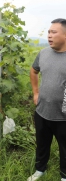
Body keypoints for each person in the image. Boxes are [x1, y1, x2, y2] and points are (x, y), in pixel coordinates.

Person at [28, 18, 66, 181]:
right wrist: (36, 93)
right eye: (49, 32)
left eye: (54, 32)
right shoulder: (43, 53)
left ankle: (64, 175)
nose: (49, 35)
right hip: (42, 111)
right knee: (42, 144)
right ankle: (40, 169)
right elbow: (33, 70)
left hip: (63, 116)